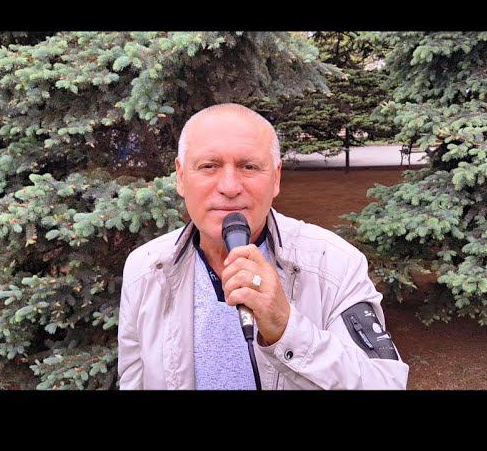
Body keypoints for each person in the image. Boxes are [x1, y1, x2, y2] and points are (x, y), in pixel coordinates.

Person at [118, 103, 409, 390]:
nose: (229, 187)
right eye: (209, 166)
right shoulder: (145, 269)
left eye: (249, 167)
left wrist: (286, 328)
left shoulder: (334, 264)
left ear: (276, 178)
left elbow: (385, 383)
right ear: (181, 177)